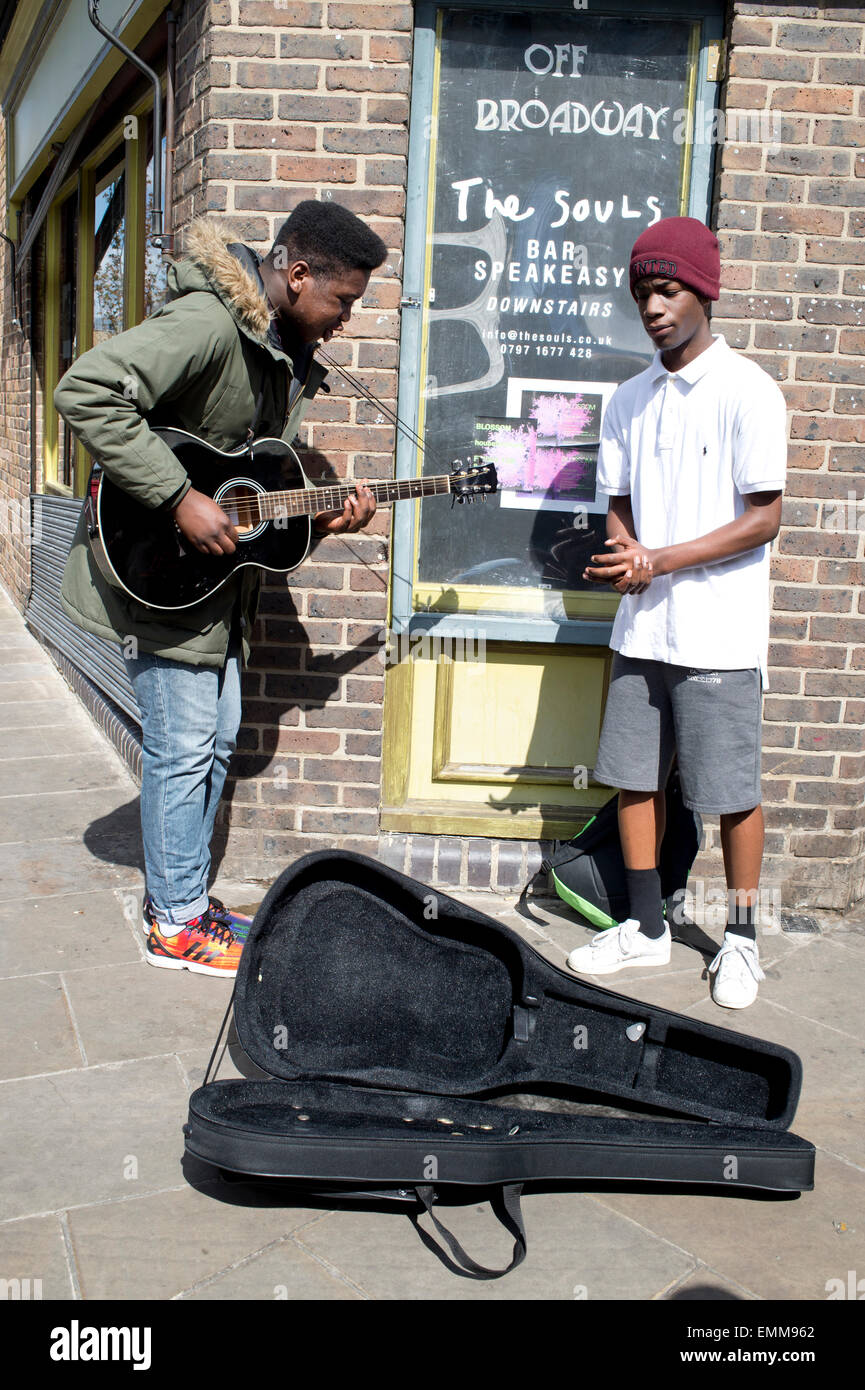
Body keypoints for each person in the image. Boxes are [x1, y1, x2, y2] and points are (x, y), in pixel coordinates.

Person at [56, 200, 387, 977]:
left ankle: (186, 899)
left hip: (213, 591)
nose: (346, 319)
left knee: (214, 744)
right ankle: (174, 924)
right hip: (158, 574)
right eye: (342, 300)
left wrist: (322, 521)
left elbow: (245, 484)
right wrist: (177, 498)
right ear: (297, 273)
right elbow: (87, 389)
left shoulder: (276, 348)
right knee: (182, 751)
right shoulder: (211, 325)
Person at [566, 216, 786, 1009]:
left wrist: (657, 560)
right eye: (641, 294)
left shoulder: (748, 391)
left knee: (728, 790)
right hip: (643, 628)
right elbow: (617, 504)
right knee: (631, 778)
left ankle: (740, 938)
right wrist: (626, 552)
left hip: (718, 628)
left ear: (703, 292)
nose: (652, 307)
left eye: (666, 290)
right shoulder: (627, 400)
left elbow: (763, 518)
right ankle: (647, 927)